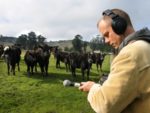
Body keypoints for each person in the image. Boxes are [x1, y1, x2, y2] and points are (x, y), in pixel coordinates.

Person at [79, 8, 150, 113]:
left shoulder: (130, 54)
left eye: (107, 35)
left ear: (119, 26)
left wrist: (93, 87)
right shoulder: (146, 46)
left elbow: (105, 105)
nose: (106, 41)